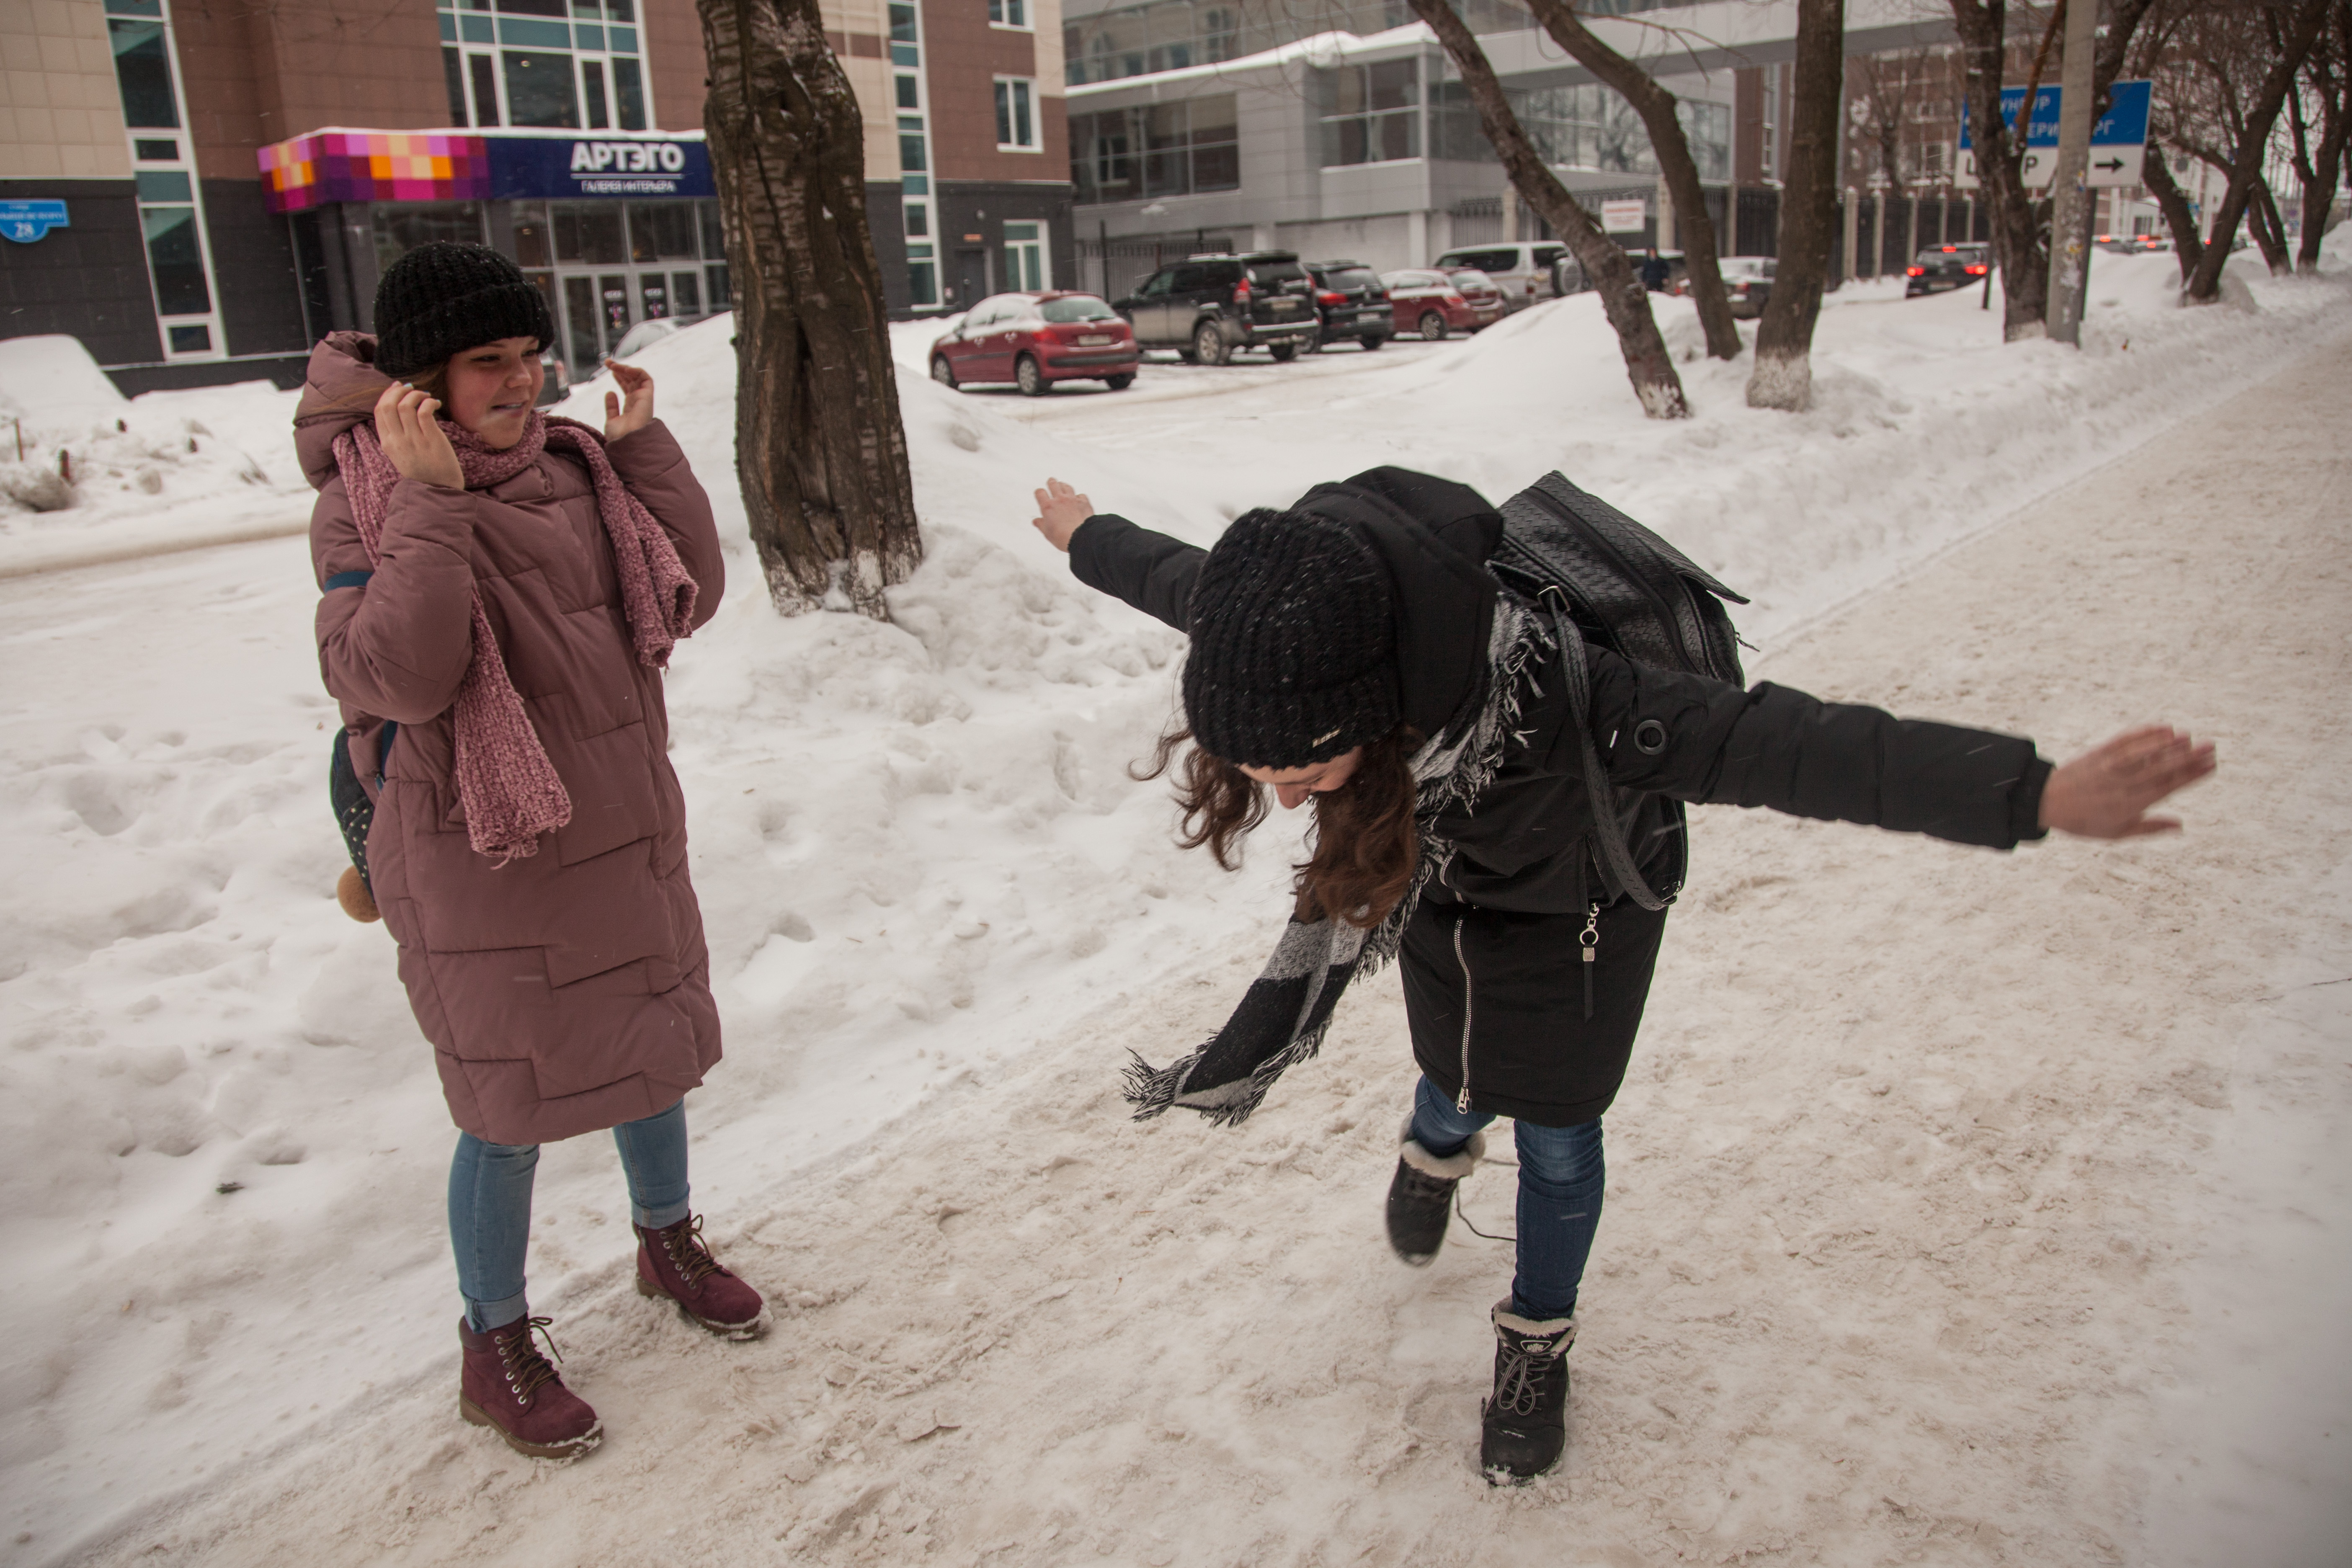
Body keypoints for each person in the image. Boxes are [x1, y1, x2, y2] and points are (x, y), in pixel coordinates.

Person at [1027, 468, 2213, 1485]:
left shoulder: (1585, 702)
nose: (1284, 796)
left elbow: (1798, 748)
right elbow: (1186, 576)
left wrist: (2032, 792)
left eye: (1305, 765)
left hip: (1582, 921)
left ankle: (1536, 1340)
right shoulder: (1290, 638)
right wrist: (1087, 535)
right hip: (1443, 894)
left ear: (1380, 709)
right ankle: (1436, 1146)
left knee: (1555, 1130)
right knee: (1452, 1062)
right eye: (1260, 765)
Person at [295, 242, 762, 1462]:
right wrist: (433, 498)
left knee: (644, 1042)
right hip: (480, 846)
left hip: (615, 810)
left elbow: (686, 595)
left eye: (527, 355)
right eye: (487, 363)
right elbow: (400, 672)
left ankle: (667, 1244)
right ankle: (491, 1344)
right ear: (418, 384)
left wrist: (647, 451)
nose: (520, 382)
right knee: (507, 1103)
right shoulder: (364, 495)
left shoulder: (576, 465)